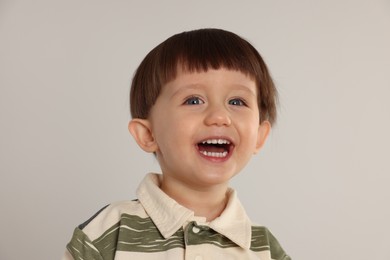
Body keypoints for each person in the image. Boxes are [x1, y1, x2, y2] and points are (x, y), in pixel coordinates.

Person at [62, 28, 291, 260]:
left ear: (260, 136)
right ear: (148, 134)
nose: (220, 116)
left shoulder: (266, 249)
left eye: (236, 101)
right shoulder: (106, 234)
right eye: (194, 100)